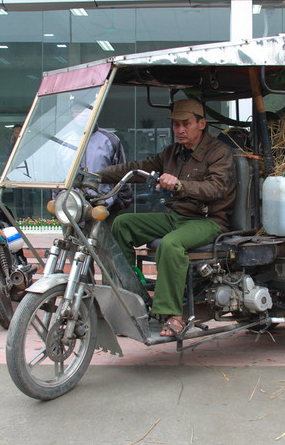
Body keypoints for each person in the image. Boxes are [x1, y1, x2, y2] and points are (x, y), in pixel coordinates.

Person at [97, 98, 236, 338]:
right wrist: (97, 175)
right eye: (176, 125)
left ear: (201, 123)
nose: (180, 130)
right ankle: (132, 293)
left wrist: (181, 185)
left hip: (208, 220)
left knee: (171, 245)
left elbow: (216, 189)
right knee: (122, 224)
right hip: (176, 217)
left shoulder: (218, 152)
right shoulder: (173, 152)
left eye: (186, 124)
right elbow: (138, 167)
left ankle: (172, 315)